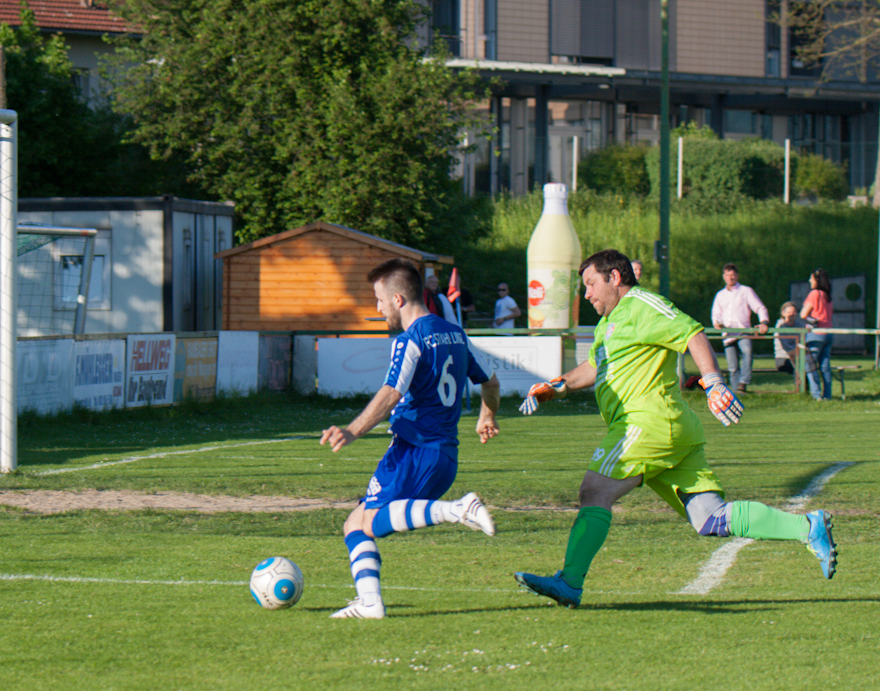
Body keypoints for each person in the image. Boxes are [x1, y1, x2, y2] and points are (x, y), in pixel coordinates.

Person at [513, 249, 837, 609]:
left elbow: (691, 333)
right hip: (667, 431)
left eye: (590, 284)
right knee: (710, 517)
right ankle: (808, 527)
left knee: (594, 491)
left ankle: (570, 582)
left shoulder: (642, 305)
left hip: (645, 424)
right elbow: (591, 369)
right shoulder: (609, 323)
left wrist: (714, 382)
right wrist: (553, 387)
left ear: (614, 278)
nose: (586, 294)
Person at [320, 258, 501, 619]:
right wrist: (487, 415)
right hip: (444, 456)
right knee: (355, 523)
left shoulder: (409, 340)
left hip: (413, 451)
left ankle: (457, 509)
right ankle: (369, 603)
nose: (378, 308)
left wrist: (353, 430)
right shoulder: (455, 334)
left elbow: (392, 392)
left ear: (398, 299)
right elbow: (491, 383)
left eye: (379, 299)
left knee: (369, 522)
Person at [710, 263, 769, 393]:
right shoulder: (720, 295)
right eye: (727, 275)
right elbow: (716, 314)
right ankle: (737, 391)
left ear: (737, 276)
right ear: (723, 276)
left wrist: (764, 322)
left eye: (732, 275)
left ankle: (743, 381)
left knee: (747, 351)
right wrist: (717, 323)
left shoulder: (745, 291)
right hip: (727, 333)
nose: (730, 278)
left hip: (743, 330)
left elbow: (759, 307)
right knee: (732, 366)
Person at [801, 268, 834, 400]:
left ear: (817, 280)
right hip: (828, 333)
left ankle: (816, 394)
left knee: (810, 364)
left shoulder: (814, 294)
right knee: (825, 366)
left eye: (811, 278)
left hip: (816, 334)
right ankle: (827, 395)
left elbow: (803, 314)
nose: (809, 281)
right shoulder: (828, 295)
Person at [773, 301, 804, 374]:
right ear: (783, 313)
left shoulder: (800, 325)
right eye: (789, 312)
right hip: (783, 357)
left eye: (794, 312)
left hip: (798, 356)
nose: (791, 314)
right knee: (801, 367)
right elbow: (786, 346)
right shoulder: (780, 326)